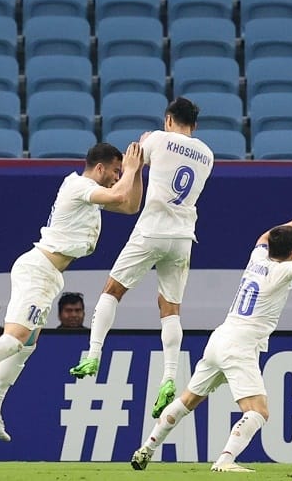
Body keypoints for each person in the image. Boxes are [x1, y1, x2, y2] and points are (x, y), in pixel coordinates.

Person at [0, 141, 144, 442]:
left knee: (27, 344)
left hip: (48, 275)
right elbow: (120, 193)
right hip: (38, 270)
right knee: (14, 338)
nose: (116, 176)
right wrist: (133, 169)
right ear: (99, 168)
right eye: (114, 170)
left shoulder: (92, 195)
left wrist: (137, 173)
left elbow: (130, 205)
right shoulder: (78, 186)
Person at [129, 210, 292, 473]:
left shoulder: (257, 259)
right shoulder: (280, 272)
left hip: (220, 337)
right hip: (240, 345)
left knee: (188, 399)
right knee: (257, 412)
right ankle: (225, 460)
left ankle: (146, 449)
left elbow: (264, 236)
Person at [70, 97, 215, 420]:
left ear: (168, 119)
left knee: (113, 290)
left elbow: (130, 167)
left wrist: (143, 148)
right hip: (183, 237)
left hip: (151, 229)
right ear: (195, 125)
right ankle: (169, 377)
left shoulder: (157, 139)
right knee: (170, 309)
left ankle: (94, 354)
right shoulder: (207, 155)